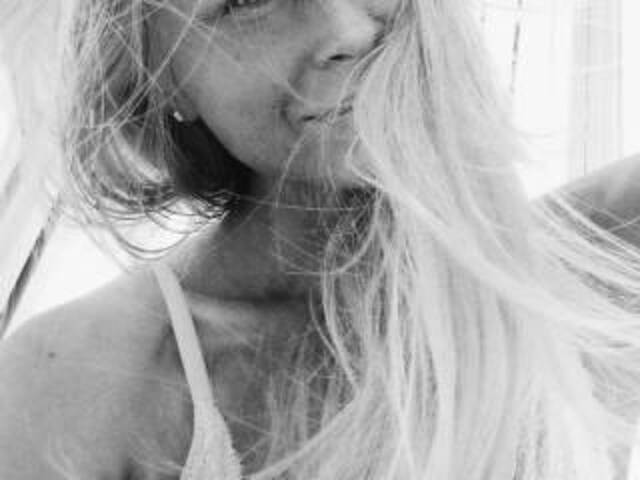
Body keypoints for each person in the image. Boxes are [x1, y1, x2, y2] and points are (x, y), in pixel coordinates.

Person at [1, 0, 640, 478]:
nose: (345, 29)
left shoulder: (585, 267)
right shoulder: (75, 382)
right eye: (247, 1)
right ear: (160, 74)